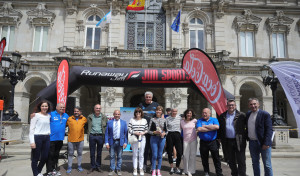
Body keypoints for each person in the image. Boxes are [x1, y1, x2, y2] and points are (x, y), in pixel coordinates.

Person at [218, 99, 247, 176]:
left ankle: (242, 174)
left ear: (235, 106)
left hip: (239, 141)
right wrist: (219, 138)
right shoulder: (222, 116)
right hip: (227, 142)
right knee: (230, 160)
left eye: (232, 105)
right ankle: (234, 174)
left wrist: (245, 137)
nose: (231, 106)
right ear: (227, 106)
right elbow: (220, 128)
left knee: (241, 160)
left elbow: (247, 127)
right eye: (229, 105)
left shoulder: (241, 115)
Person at [246, 98, 273, 176]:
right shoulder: (248, 114)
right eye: (251, 104)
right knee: (255, 163)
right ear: (248, 105)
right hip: (252, 142)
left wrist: (266, 143)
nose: (253, 106)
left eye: (254, 104)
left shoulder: (265, 114)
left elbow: (269, 129)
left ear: (258, 104)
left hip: (263, 143)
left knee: (267, 165)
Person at [196, 108, 223, 176]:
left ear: (209, 113)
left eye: (206, 112)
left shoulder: (214, 119)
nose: (204, 114)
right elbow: (199, 129)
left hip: (213, 142)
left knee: (216, 158)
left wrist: (205, 126)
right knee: (204, 159)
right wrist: (211, 128)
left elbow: (217, 127)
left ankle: (219, 173)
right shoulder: (199, 120)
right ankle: (206, 172)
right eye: (203, 112)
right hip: (203, 142)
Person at [138, 91, 159, 172]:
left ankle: (152, 165)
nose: (148, 98)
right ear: (145, 97)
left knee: (153, 149)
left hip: (153, 131)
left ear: (152, 97)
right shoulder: (141, 105)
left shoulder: (156, 105)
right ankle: (144, 165)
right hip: (144, 130)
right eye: (147, 97)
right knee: (144, 149)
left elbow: (160, 115)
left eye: (149, 97)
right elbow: (138, 115)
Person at [29, 100, 51, 176]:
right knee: (36, 157)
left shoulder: (49, 116)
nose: (44, 107)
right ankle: (36, 174)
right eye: (43, 106)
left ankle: (38, 171)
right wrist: (32, 142)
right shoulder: (35, 115)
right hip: (38, 137)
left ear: (48, 107)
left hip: (47, 137)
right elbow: (31, 129)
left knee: (45, 157)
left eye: (46, 106)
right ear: (40, 107)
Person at [47, 103, 69, 175]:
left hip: (60, 139)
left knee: (56, 155)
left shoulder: (66, 115)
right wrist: (34, 115)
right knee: (50, 155)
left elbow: (72, 121)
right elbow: (42, 117)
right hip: (51, 139)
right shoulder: (51, 114)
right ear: (56, 107)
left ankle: (54, 169)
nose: (62, 108)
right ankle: (49, 170)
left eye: (63, 107)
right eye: (61, 107)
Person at [105, 110, 128, 176]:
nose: (117, 115)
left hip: (120, 141)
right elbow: (107, 133)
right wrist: (106, 143)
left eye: (118, 114)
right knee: (112, 156)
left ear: (120, 115)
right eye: (116, 114)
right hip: (112, 141)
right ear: (113, 114)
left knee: (119, 156)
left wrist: (125, 142)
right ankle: (112, 169)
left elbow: (125, 134)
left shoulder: (123, 122)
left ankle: (118, 169)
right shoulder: (109, 122)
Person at [66, 107, 87, 174]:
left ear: (80, 112)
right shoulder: (69, 119)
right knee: (70, 154)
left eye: (77, 111)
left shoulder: (84, 119)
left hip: (80, 140)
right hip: (71, 140)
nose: (76, 112)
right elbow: (64, 125)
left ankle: (79, 166)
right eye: (75, 111)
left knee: (80, 154)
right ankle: (69, 167)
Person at [87, 104, 108, 173]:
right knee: (92, 153)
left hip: (100, 136)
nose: (98, 109)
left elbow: (107, 127)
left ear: (100, 109)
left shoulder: (104, 117)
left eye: (99, 108)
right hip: (92, 136)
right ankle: (93, 166)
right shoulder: (90, 117)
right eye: (97, 108)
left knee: (99, 153)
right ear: (94, 109)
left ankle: (98, 166)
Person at [128, 107, 148, 176]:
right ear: (135, 113)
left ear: (141, 113)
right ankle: (135, 168)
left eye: (139, 112)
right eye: (136, 112)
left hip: (142, 138)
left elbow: (146, 129)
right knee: (135, 154)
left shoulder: (144, 120)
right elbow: (129, 129)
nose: (138, 113)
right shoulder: (132, 120)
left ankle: (141, 168)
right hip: (134, 138)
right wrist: (134, 132)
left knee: (141, 154)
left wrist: (143, 133)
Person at [148, 106, 167, 176]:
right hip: (154, 138)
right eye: (157, 110)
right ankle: (153, 170)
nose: (158, 111)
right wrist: (154, 132)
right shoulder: (152, 119)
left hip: (162, 138)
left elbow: (167, 131)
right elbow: (148, 131)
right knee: (154, 155)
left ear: (162, 111)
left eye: (160, 110)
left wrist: (164, 133)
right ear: (155, 111)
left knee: (160, 155)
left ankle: (158, 170)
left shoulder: (164, 120)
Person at [180, 109, 197, 176]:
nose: (189, 114)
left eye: (190, 113)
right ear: (185, 114)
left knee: (192, 155)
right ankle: (185, 170)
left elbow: (198, 128)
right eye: (187, 113)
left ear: (192, 114)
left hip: (193, 140)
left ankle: (191, 170)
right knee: (185, 156)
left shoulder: (195, 121)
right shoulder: (182, 122)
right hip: (185, 140)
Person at [166, 108, 182, 174]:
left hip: (177, 134)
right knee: (169, 152)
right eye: (173, 111)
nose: (174, 112)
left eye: (175, 111)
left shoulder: (180, 118)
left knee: (180, 152)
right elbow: (166, 127)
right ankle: (172, 167)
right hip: (170, 134)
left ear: (177, 111)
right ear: (171, 112)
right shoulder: (167, 118)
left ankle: (177, 167)